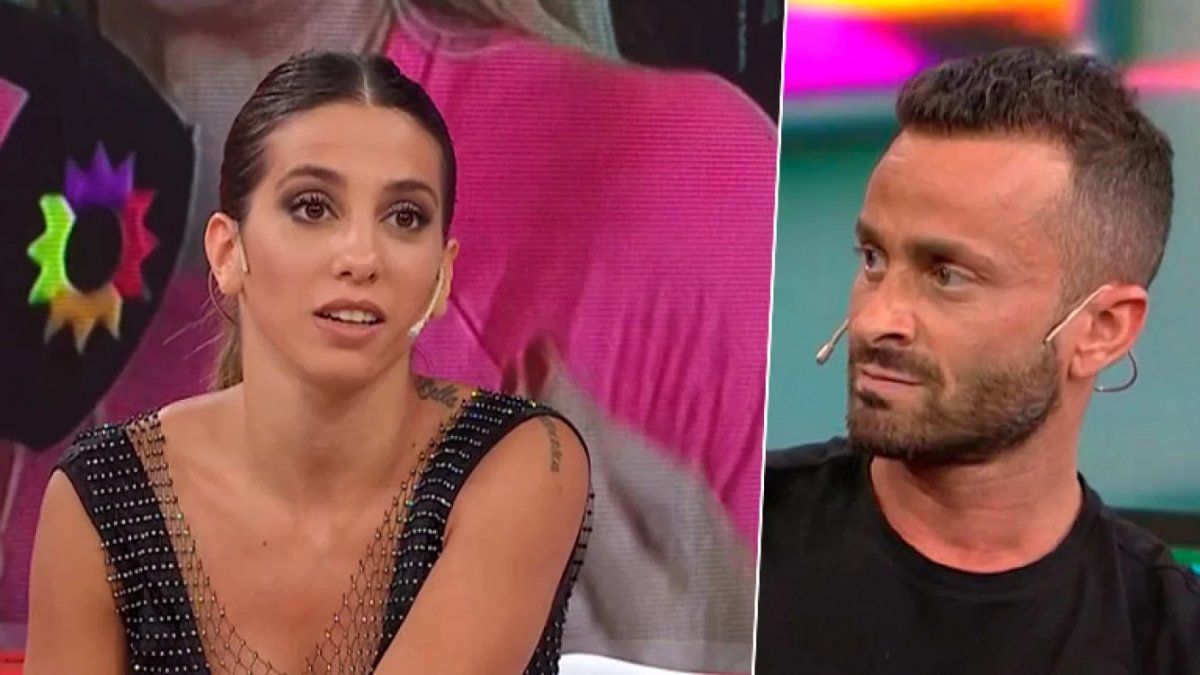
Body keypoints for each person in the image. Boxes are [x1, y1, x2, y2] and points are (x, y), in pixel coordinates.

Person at [23, 51, 592, 675]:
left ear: (442, 272)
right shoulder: (105, 494)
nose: (361, 257)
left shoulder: (518, 459)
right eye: (313, 207)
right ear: (228, 251)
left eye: (405, 217)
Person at [756, 46, 1200, 674]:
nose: (877, 320)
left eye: (948, 275)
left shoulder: (1169, 644)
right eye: (874, 259)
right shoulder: (717, 546)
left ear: (1102, 330)